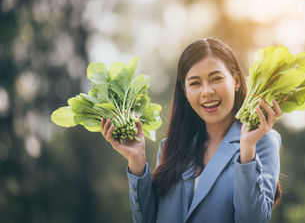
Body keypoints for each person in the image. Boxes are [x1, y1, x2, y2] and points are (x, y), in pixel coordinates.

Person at [100, 37, 283, 223]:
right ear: (185, 90)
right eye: (195, 83)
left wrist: (247, 152)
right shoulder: (170, 147)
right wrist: (136, 161)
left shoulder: (262, 142)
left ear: (236, 81)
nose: (207, 91)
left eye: (216, 79)